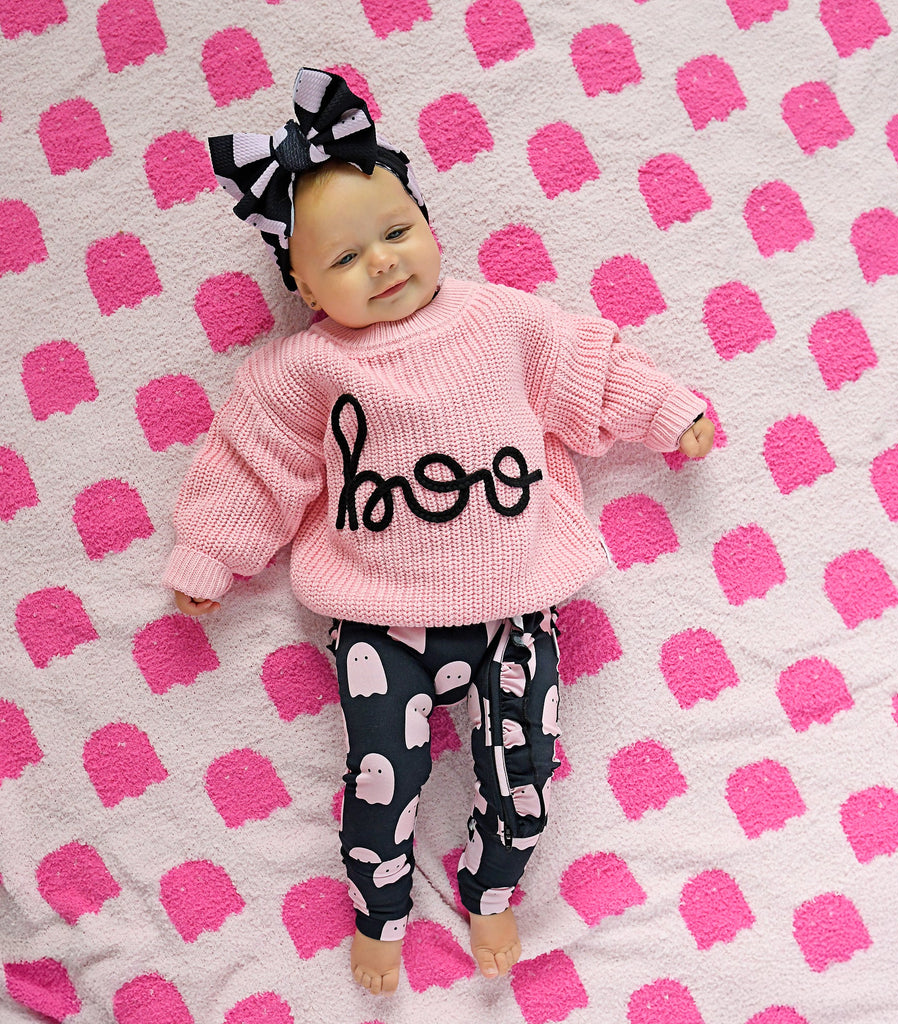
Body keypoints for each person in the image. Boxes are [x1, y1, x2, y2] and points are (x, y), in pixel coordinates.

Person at [165, 68, 715, 995]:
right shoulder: (304, 370)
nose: (382, 264)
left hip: (515, 602)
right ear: (300, 281)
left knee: (524, 769)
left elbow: (585, 366)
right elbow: (256, 462)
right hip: (380, 620)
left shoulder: (500, 320)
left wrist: (666, 410)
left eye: (395, 233)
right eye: (345, 258)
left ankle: (491, 886)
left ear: (427, 221)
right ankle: (378, 911)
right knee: (383, 773)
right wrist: (210, 553)